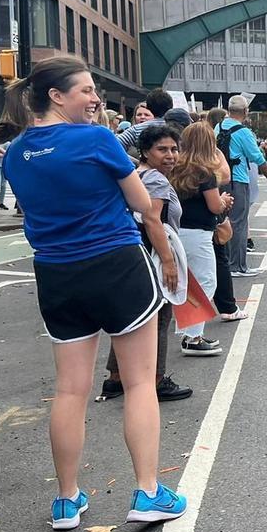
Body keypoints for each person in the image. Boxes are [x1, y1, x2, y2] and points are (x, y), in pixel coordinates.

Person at [0, 56, 187, 530]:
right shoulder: (96, 139)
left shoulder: (16, 153)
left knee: (70, 390)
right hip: (116, 264)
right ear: (57, 97)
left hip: (57, 273)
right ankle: (147, 491)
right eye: (85, 90)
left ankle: (66, 499)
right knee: (140, 382)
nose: (95, 98)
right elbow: (141, 204)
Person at [100, 114, 194, 402]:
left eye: (174, 149)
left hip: (131, 252)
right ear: (145, 152)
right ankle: (156, 379)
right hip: (152, 253)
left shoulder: (137, 174)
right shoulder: (155, 180)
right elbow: (153, 220)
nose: (170, 156)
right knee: (159, 315)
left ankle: (116, 378)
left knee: (131, 315)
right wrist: (168, 262)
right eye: (162, 150)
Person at [170, 121, 234, 354]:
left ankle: (188, 331)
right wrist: (225, 201)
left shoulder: (175, 167)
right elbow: (215, 206)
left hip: (175, 231)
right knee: (206, 282)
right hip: (198, 233)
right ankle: (193, 336)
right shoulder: (205, 172)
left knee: (183, 282)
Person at [216, 95, 267, 276]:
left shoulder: (218, 127)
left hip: (219, 181)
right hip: (238, 180)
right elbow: (258, 159)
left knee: (223, 221)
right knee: (239, 223)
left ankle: (226, 263)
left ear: (229, 110)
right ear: (246, 112)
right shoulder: (243, 132)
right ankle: (237, 266)